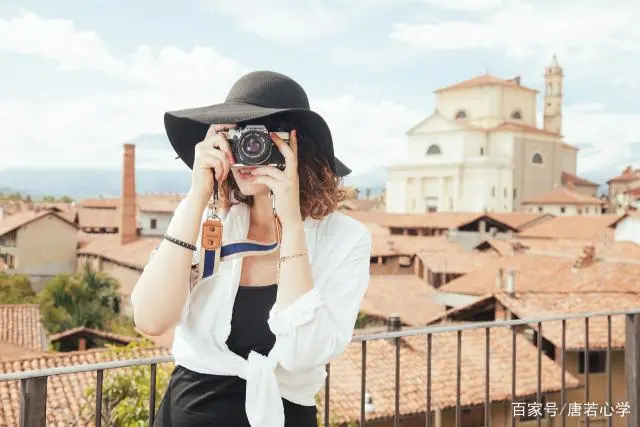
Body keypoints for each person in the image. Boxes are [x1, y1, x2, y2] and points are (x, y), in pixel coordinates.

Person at [131, 70, 372, 427]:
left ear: (296, 146)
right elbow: (151, 320)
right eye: (234, 135)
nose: (247, 150)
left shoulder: (345, 239)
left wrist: (290, 223)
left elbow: (302, 353)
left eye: (259, 136)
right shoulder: (207, 217)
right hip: (189, 411)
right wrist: (197, 194)